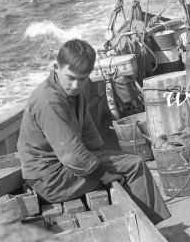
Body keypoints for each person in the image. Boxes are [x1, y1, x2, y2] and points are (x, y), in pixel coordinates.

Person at [17, 39, 169, 223]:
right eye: (70, 78)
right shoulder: (49, 100)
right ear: (56, 67)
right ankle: (150, 229)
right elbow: (72, 156)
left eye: (82, 79)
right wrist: (104, 174)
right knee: (134, 165)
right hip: (50, 179)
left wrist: (107, 158)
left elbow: (89, 134)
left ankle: (141, 223)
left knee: (123, 162)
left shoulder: (75, 92)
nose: (76, 85)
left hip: (61, 170)